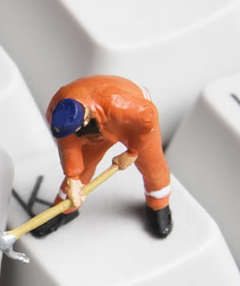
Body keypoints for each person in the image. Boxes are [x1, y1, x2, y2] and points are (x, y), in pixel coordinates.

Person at [35, 75, 173, 239]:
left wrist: (132, 152)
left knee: (152, 165)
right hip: (97, 132)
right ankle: (65, 210)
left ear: (85, 118)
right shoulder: (57, 115)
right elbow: (68, 147)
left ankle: (159, 204)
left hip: (134, 124)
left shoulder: (119, 104)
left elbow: (149, 117)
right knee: (81, 172)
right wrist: (72, 178)